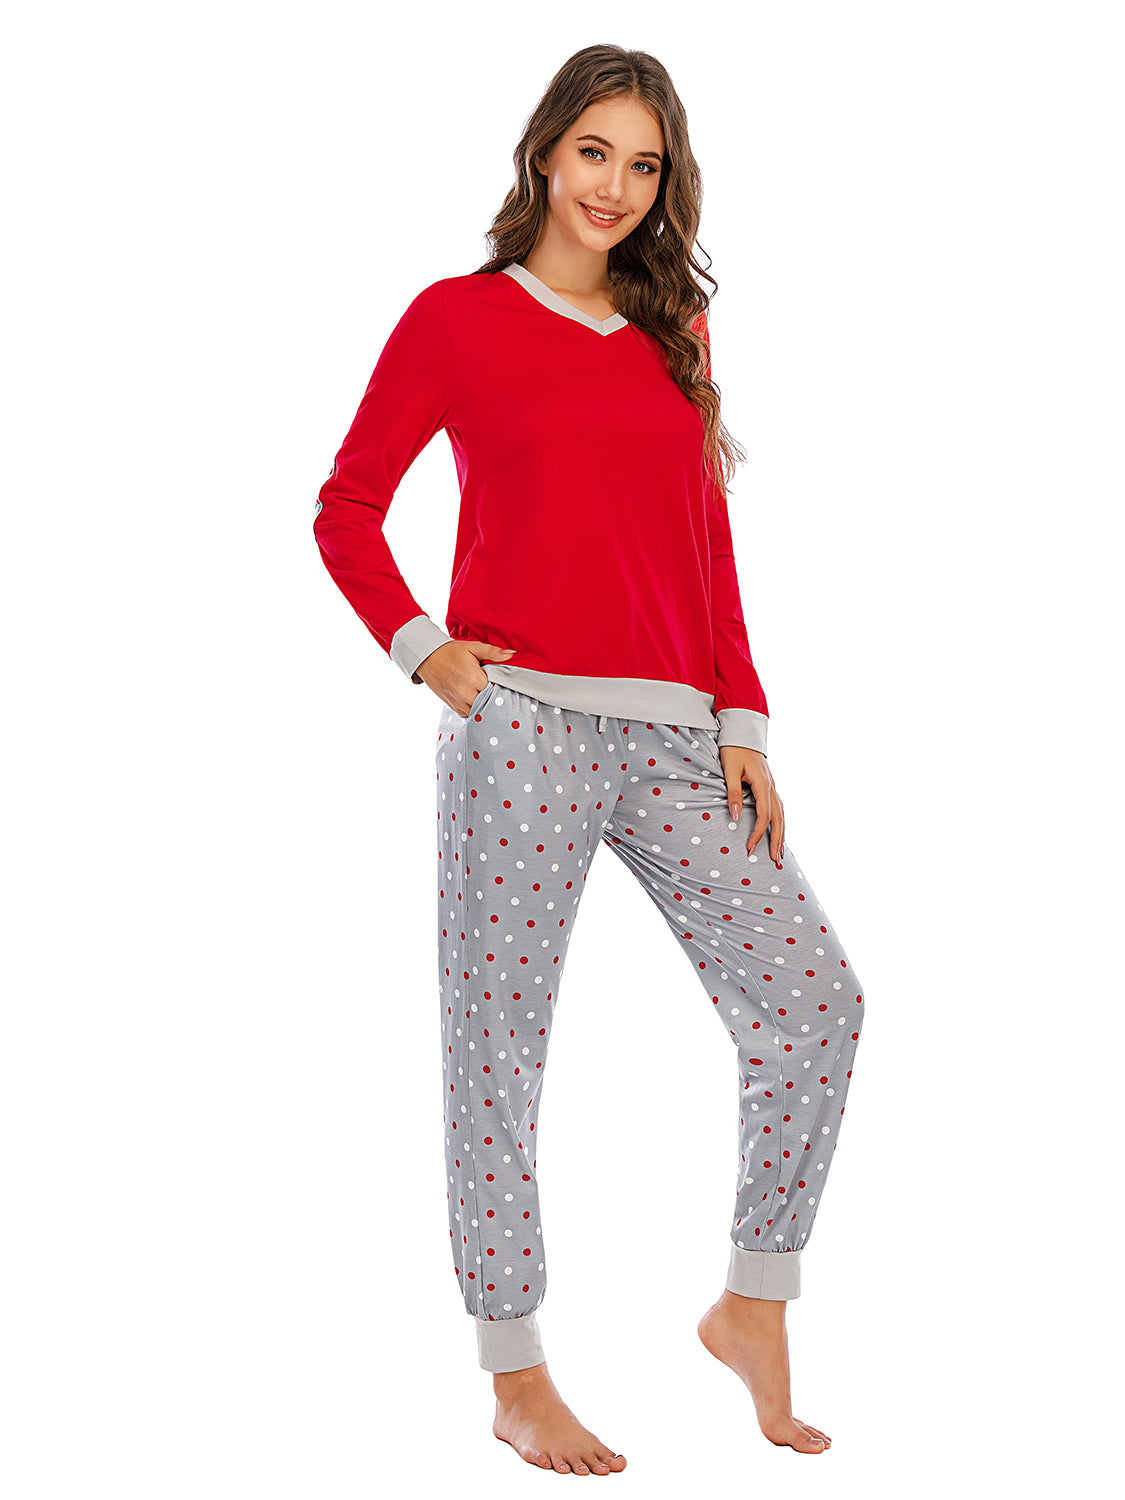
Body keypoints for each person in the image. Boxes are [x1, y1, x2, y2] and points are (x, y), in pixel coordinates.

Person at [313, 44, 865, 1470]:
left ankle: (752, 1301)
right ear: (546, 153)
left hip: (678, 734)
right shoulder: (456, 318)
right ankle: (516, 1373)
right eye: (594, 153)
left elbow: (705, 542)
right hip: (524, 730)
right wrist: (425, 650)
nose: (615, 186)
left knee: (815, 1004)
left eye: (644, 164)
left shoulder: (675, 329)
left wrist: (743, 722)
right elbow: (347, 507)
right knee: (496, 1054)